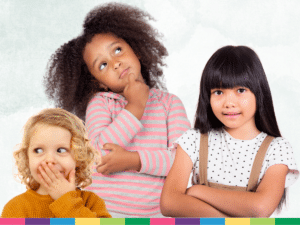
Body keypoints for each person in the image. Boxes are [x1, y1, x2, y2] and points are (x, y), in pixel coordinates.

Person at [43, 3, 191, 217]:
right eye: (102, 65)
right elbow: (98, 155)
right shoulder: (101, 103)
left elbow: (183, 163)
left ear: (136, 50)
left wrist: (134, 160)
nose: (115, 63)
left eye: (118, 50)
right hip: (103, 213)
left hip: (156, 216)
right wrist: (135, 107)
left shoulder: (169, 104)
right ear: (99, 82)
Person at [160, 46, 299, 217]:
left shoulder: (277, 148)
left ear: (258, 92)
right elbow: (169, 203)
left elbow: (260, 208)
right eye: (218, 92)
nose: (229, 103)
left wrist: (197, 191)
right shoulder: (193, 139)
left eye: (240, 90)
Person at [1, 108, 111, 218]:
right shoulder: (15, 209)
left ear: (79, 157)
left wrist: (66, 200)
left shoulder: (91, 202)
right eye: (38, 150)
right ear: (27, 158)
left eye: (61, 150)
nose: (50, 159)